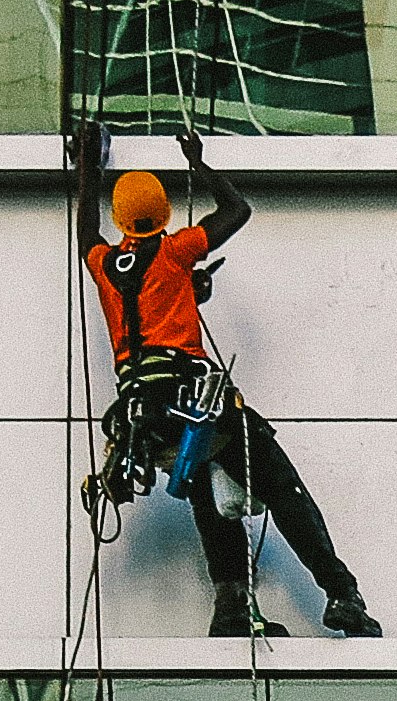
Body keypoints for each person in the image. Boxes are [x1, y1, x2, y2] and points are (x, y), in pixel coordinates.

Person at [73, 125, 380, 641]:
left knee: (207, 497)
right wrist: (199, 163)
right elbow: (237, 211)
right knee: (281, 485)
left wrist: (88, 169)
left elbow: (86, 232)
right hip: (192, 402)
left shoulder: (106, 265)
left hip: (143, 421)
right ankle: (341, 594)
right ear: (164, 215)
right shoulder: (174, 251)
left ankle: (233, 608)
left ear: (123, 220)